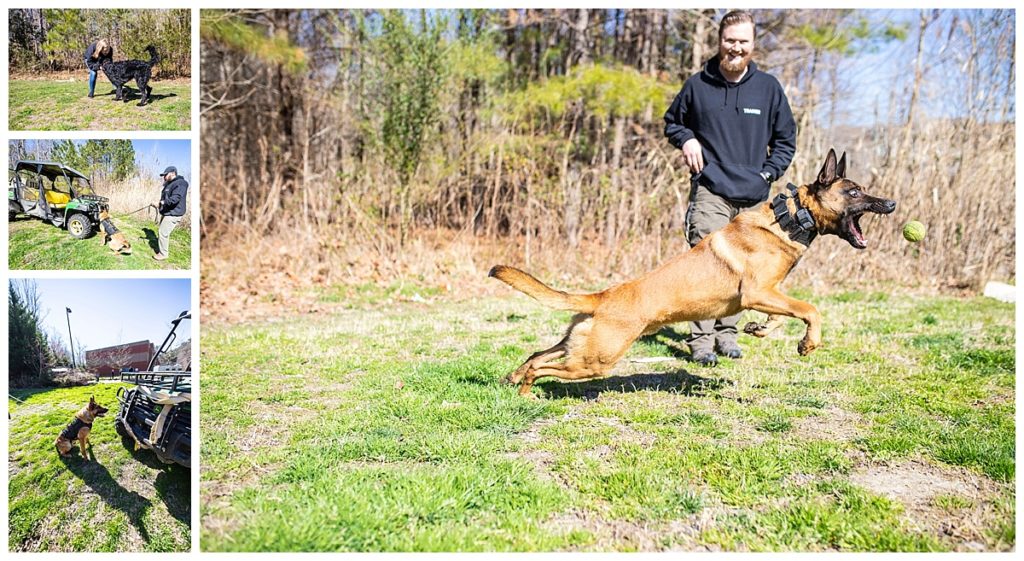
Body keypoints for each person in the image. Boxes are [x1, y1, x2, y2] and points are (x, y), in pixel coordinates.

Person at [663, 10, 796, 366]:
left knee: (746, 269)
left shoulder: (768, 89)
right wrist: (687, 139)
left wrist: (768, 175)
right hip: (711, 189)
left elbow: (785, 141)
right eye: (730, 40)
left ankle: (727, 336)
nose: (736, 47)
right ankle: (702, 342)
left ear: (753, 44)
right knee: (705, 265)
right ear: (720, 41)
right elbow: (672, 123)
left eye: (743, 41)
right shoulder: (697, 84)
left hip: (754, 198)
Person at [154, 166, 188, 261]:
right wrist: (159, 204)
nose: (164, 177)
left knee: (163, 232)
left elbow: (175, 199)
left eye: (165, 175)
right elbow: (165, 199)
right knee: (163, 232)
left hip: (174, 213)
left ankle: (163, 254)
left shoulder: (181, 183)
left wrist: (161, 203)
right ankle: (162, 248)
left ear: (173, 173)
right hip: (167, 212)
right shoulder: (169, 184)